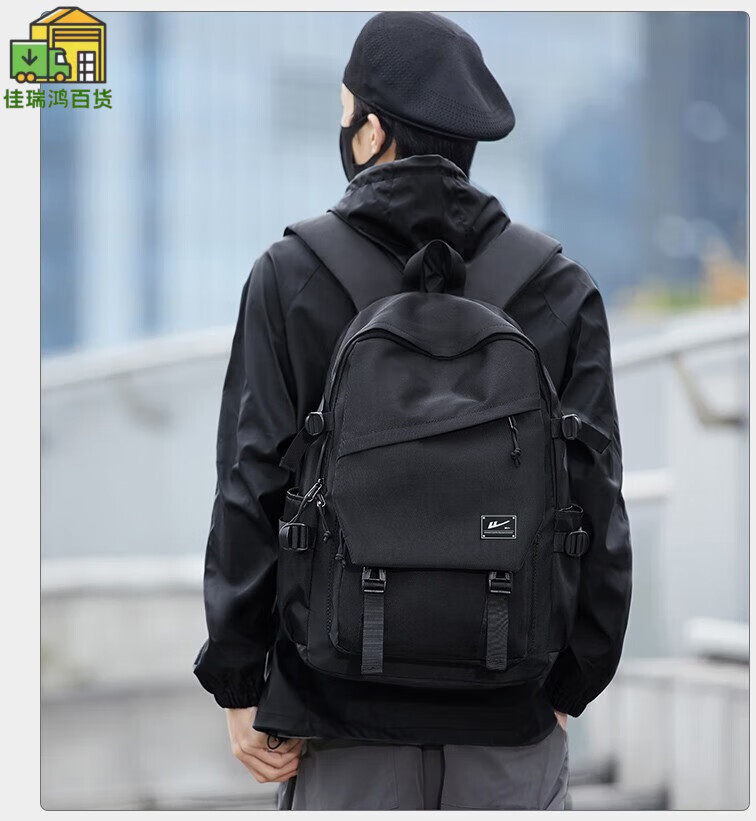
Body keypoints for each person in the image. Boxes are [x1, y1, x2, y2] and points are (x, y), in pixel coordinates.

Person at [194, 11, 632, 811]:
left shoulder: (292, 276)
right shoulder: (557, 288)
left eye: (346, 114)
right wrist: (570, 682)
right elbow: (598, 498)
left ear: (371, 133)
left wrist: (238, 675)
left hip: (339, 712)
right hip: (511, 712)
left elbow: (250, 482)